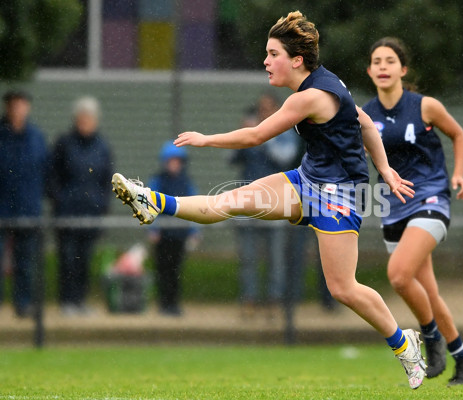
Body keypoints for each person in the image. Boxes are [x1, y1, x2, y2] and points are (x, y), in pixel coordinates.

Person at [111, 11, 426, 389]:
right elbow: (365, 125)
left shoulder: (310, 96)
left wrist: (206, 138)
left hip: (341, 197)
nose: (265, 61)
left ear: (296, 60)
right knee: (227, 202)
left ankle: (404, 344)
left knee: (343, 288)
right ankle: (151, 200)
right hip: (307, 182)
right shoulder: (321, 84)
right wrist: (386, 170)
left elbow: (255, 136)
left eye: (272, 53)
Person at [362, 37, 463, 386]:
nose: (383, 66)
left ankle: (430, 337)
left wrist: (458, 174)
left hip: (431, 199)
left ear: (403, 69)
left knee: (398, 275)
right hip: (392, 207)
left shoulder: (426, 106)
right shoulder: (364, 115)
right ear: (369, 71)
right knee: (427, 292)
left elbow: (458, 134)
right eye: (376, 61)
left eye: (390, 61)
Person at [230, 92, 304, 318]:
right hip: (246, 203)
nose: (264, 113)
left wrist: (261, 135)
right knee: (248, 258)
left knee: (276, 259)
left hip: (275, 203)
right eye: (261, 109)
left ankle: (274, 302)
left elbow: (285, 157)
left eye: (268, 109)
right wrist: (243, 136)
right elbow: (231, 160)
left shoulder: (285, 133)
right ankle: (249, 301)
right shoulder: (249, 134)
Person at [47, 96, 113, 316]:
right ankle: (67, 301)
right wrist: (60, 199)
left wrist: (102, 204)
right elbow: (52, 176)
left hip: (91, 214)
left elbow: (108, 180)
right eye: (82, 118)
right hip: (67, 214)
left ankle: (81, 301)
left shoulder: (103, 147)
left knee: (84, 260)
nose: (86, 122)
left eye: (90, 118)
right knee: (67, 259)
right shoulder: (64, 144)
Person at [0, 90, 47, 318]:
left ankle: (23, 304)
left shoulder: (37, 138)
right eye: (13, 105)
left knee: (25, 263)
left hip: (28, 210)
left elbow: (45, 173)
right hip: (2, 210)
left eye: (21, 105)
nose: (17, 110)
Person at [148, 142, 200, 316]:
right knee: (162, 270)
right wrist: (153, 230)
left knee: (176, 271)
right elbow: (150, 206)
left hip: (179, 235)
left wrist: (194, 232)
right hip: (163, 235)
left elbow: (196, 206)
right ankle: (164, 304)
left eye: (178, 161)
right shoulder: (158, 181)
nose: (174, 165)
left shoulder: (186, 183)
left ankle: (174, 304)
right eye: (171, 161)